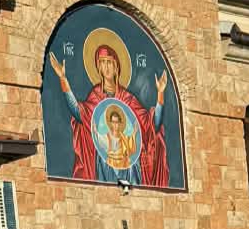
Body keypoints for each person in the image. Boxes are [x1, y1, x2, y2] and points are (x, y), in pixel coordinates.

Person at [48, 44, 170, 187]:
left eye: (109, 62)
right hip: (106, 163)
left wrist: (160, 93)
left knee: (133, 165)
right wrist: (63, 79)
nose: (106, 67)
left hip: (128, 165)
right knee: (103, 161)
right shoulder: (96, 95)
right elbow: (78, 112)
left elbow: (152, 125)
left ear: (116, 66)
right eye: (102, 62)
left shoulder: (128, 98)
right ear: (98, 67)